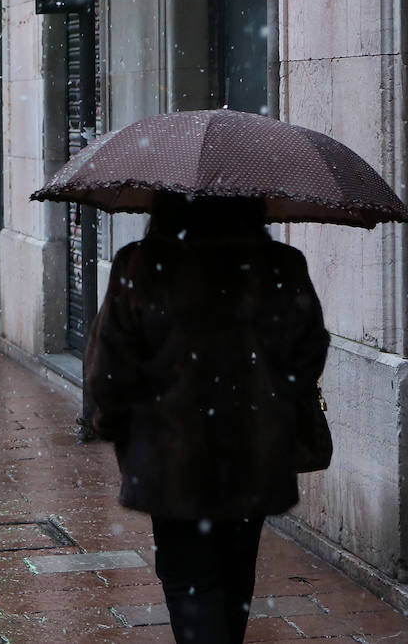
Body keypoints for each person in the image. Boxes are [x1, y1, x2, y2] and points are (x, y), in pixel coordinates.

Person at [84, 194, 330, 644]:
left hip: (169, 458)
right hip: (254, 451)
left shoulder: (140, 265)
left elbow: (108, 371)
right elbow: (309, 349)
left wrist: (119, 425)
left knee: (187, 579)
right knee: (236, 575)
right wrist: (275, 399)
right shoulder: (280, 265)